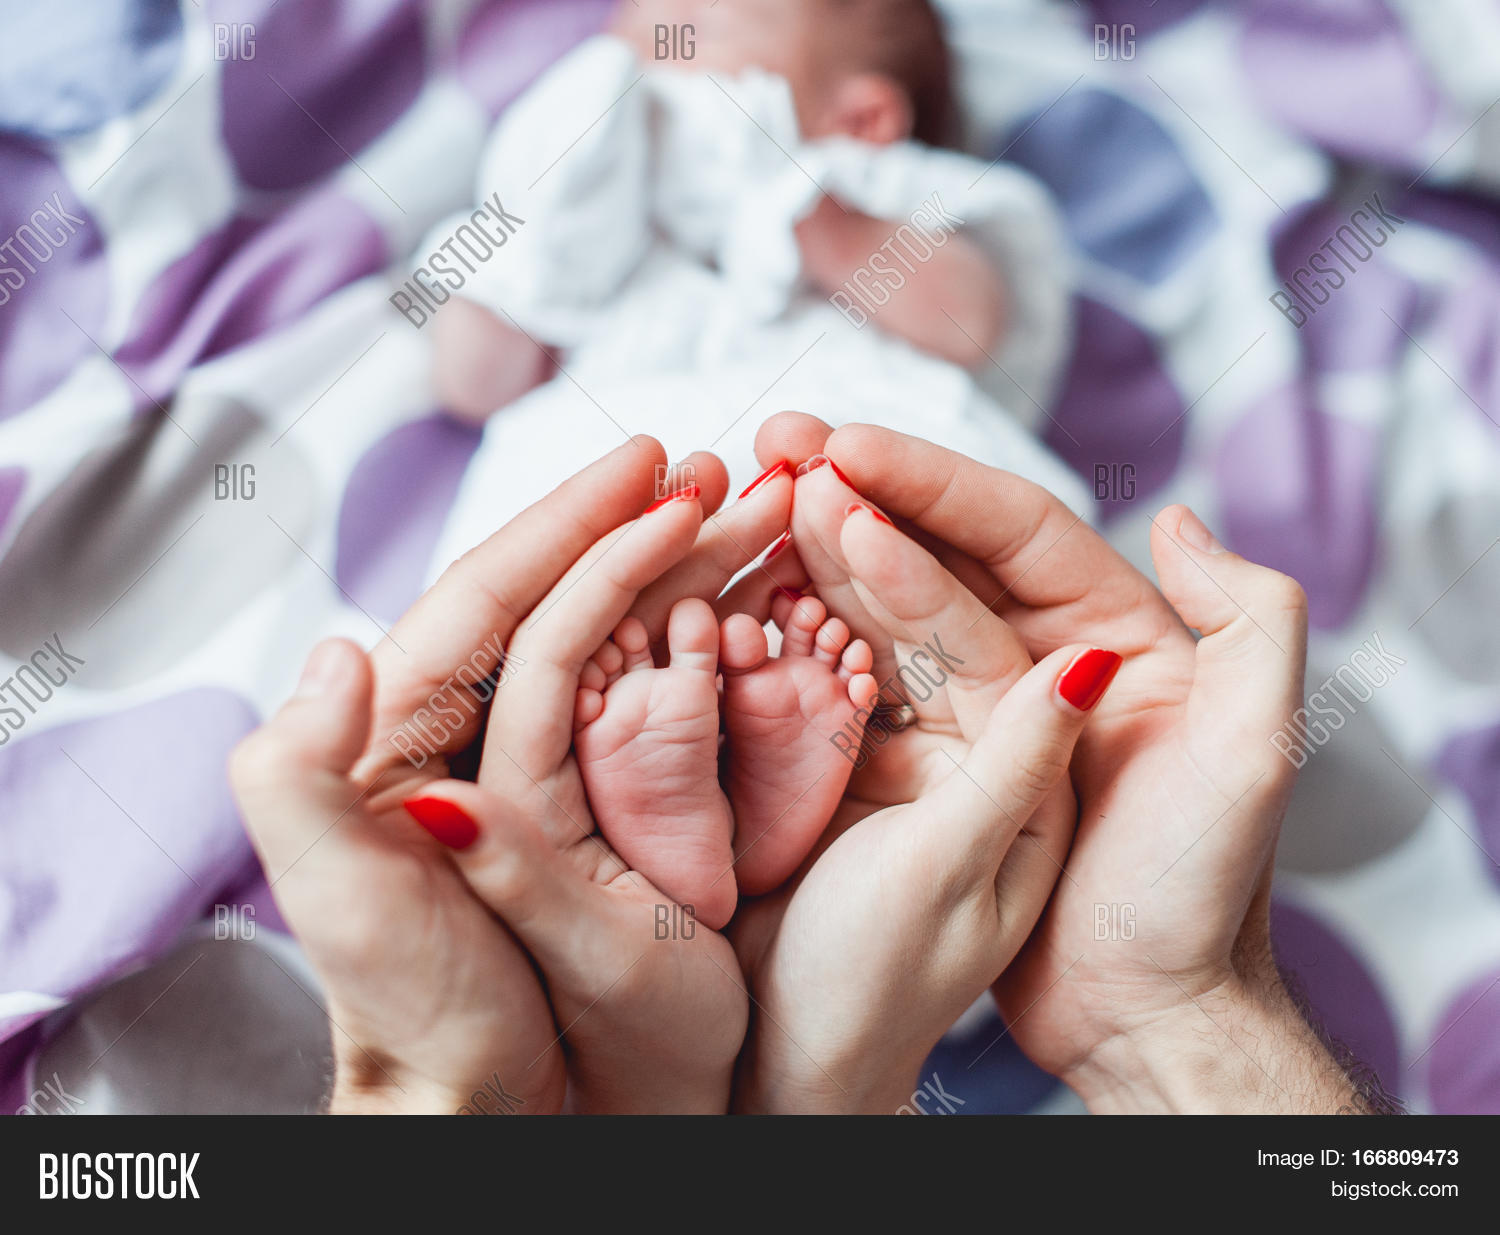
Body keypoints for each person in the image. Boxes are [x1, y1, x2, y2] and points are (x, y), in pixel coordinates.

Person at [230, 415, 1387, 1114]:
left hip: (686, 588)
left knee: (562, 661)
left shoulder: (951, 199)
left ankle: (673, 875)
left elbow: (984, 308)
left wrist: (435, 1089)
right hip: (864, 633)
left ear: (882, 102)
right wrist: (1171, 1019)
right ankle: (705, 837)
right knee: (957, 769)